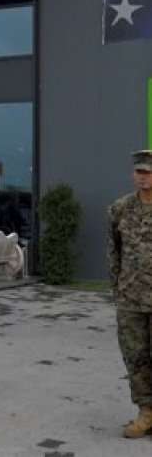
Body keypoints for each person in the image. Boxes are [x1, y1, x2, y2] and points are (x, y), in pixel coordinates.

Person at [108, 149, 152, 439]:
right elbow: (114, 250)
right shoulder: (120, 208)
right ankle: (146, 412)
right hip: (131, 297)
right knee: (135, 356)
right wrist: (117, 286)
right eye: (139, 172)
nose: (143, 177)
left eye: (148, 172)